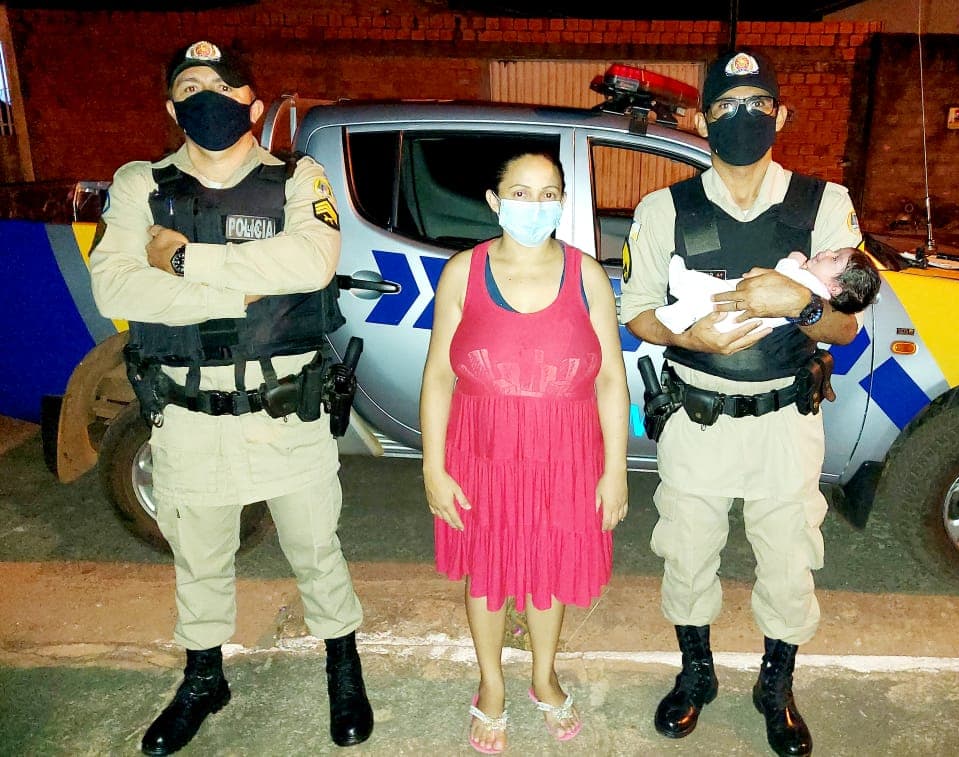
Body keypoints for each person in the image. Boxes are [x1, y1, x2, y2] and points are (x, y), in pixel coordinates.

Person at [88, 41, 372, 755]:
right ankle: (204, 677)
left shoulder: (297, 177)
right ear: (170, 107)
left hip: (286, 409)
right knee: (199, 558)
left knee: (316, 547)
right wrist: (235, 289)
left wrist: (185, 260)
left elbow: (311, 262)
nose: (205, 97)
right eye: (189, 87)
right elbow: (116, 287)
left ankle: (342, 663)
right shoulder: (140, 184)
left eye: (221, 85)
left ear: (252, 103)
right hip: (187, 414)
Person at [620, 48, 867, 757]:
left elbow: (846, 327)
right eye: (726, 106)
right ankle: (696, 674)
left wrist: (796, 304)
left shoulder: (824, 205)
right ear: (702, 120)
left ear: (781, 115)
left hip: (786, 419)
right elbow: (637, 311)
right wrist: (685, 332)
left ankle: (775, 684)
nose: (743, 117)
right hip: (695, 415)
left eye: (758, 104)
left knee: (788, 559)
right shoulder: (663, 208)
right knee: (687, 550)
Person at [420, 152, 629, 754]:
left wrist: (615, 469)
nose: (535, 206)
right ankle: (491, 684)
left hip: (567, 453)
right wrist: (433, 466)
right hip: (481, 451)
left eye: (548, 193)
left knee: (550, 568)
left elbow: (611, 380)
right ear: (494, 201)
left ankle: (543, 676)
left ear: (563, 201)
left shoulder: (587, 275)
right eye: (520, 192)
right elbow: (438, 376)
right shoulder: (463, 272)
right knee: (486, 570)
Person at [656, 247, 879, 334]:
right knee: (711, 291)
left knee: (712, 295)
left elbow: (783, 273)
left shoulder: (811, 285)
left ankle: (680, 308)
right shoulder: (816, 289)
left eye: (835, 258)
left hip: (735, 315)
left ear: (834, 288)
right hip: (738, 321)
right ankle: (681, 288)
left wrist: (794, 258)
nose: (827, 251)